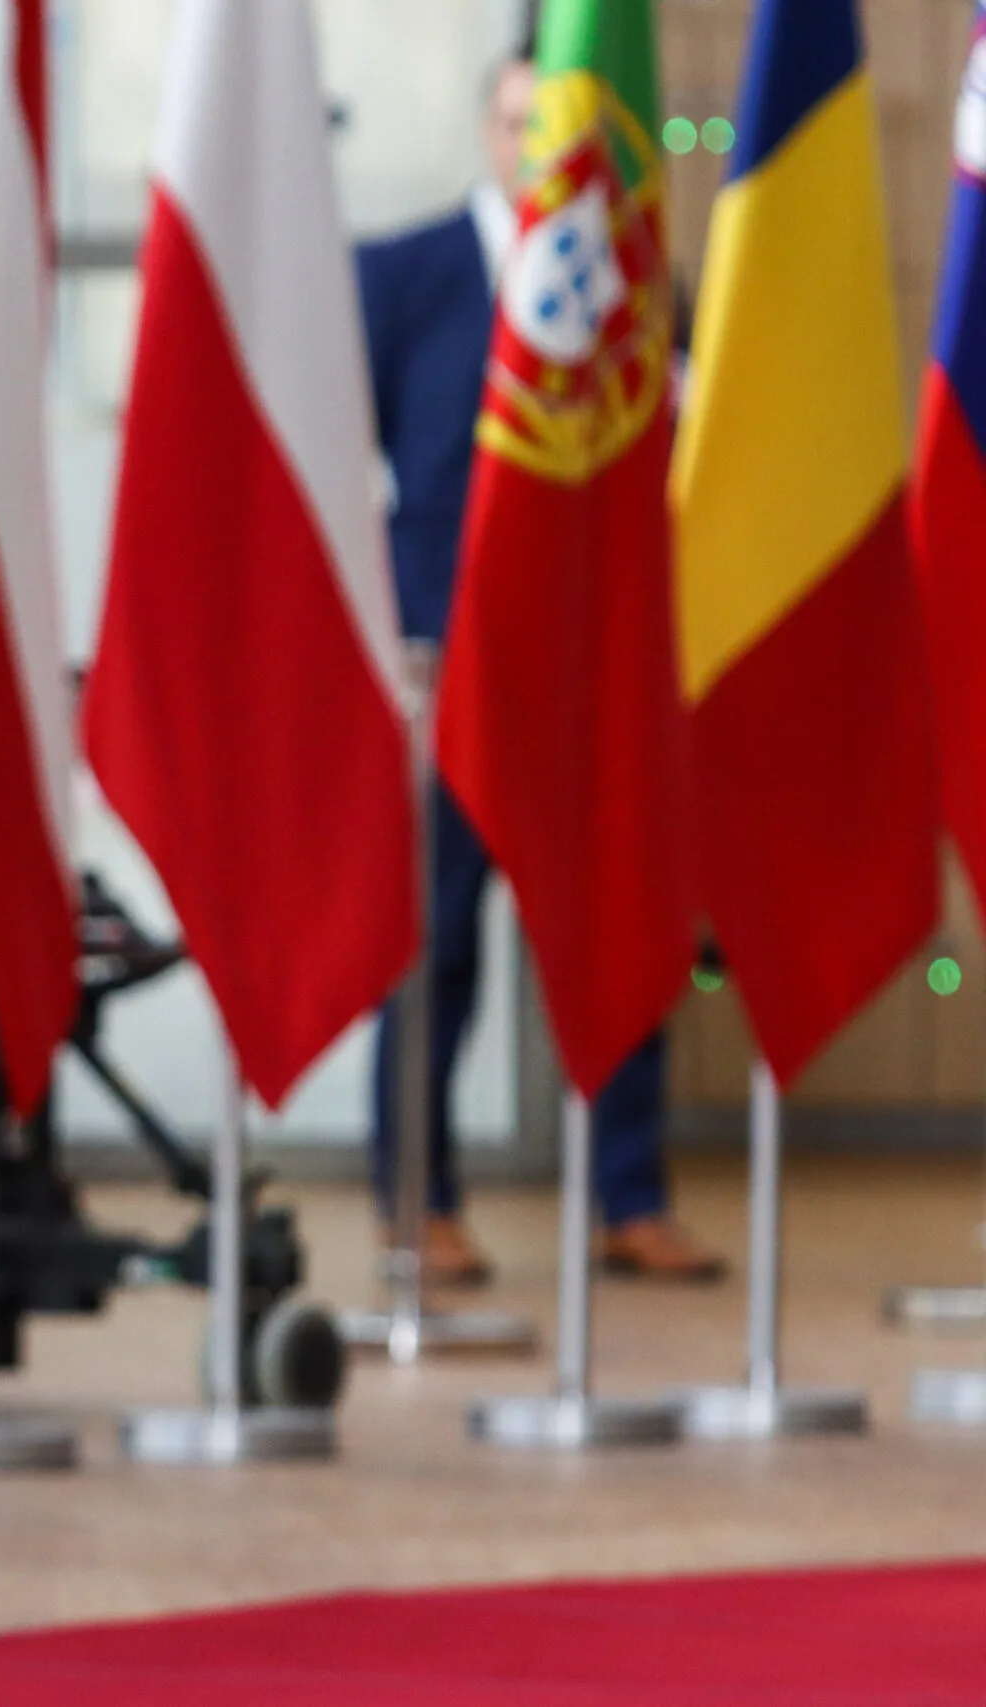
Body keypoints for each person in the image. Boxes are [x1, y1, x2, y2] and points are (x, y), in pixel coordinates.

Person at [356, 55, 722, 1286]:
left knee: (620, 924)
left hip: (592, 679)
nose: (535, 147)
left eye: (556, 125)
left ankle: (628, 1194)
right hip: (447, 672)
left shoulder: (636, 284)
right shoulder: (401, 274)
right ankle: (418, 1197)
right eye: (519, 123)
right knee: (434, 944)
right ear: (487, 128)